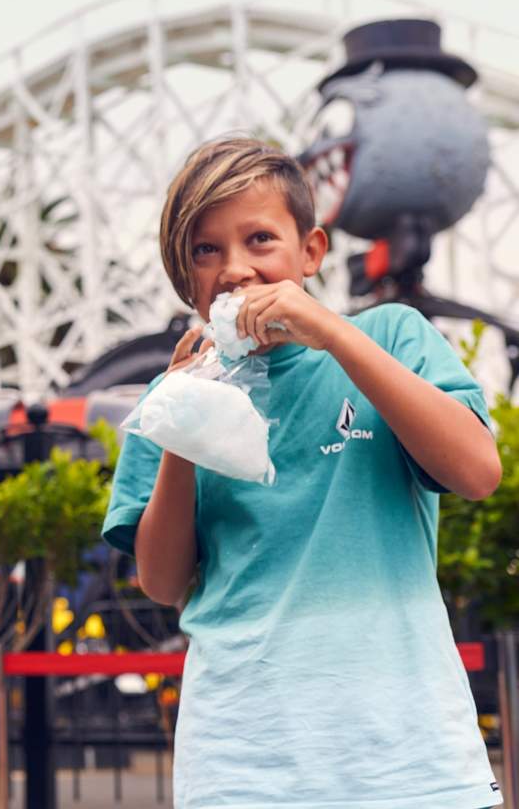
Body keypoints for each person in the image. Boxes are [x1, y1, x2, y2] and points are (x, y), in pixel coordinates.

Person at [104, 137, 503, 808]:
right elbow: (162, 580)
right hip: (241, 760)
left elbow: (475, 471)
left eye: (260, 239)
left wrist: (333, 333)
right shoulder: (165, 401)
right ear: (185, 277)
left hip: (408, 757)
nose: (234, 268)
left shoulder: (391, 334)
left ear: (310, 252)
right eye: (205, 250)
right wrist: (182, 418)